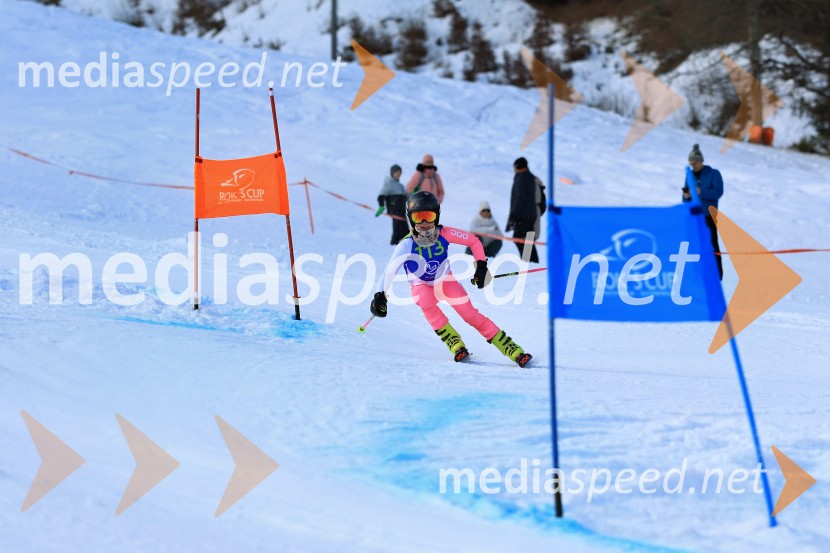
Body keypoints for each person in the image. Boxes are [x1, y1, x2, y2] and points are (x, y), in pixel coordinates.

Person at [370, 191, 532, 367]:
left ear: (437, 216)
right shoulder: (406, 244)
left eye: (429, 216)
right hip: (421, 284)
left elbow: (474, 242)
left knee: (470, 315)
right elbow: (390, 271)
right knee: (423, 299)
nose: (424, 223)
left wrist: (481, 266)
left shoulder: (445, 233)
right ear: (411, 218)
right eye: (419, 217)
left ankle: (511, 348)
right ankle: (454, 342)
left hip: (445, 281)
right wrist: (380, 296)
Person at [682, 143, 724, 280]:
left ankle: (717, 275)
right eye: (691, 163)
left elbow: (718, 192)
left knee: (712, 244)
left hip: (708, 216)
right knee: (695, 244)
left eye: (695, 163)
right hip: (695, 216)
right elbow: (685, 198)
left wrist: (702, 192)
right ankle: (698, 274)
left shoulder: (713, 174)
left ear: (701, 161)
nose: (693, 166)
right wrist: (686, 196)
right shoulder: (689, 175)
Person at [506, 157, 540, 263]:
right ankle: (532, 262)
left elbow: (519, 198)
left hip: (523, 214)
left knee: (519, 238)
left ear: (517, 166)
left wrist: (514, 215)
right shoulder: (530, 176)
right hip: (531, 213)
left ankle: (528, 261)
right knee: (528, 238)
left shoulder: (521, 178)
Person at [376, 164, 409, 245]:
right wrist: (381, 206)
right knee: (398, 226)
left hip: (402, 210)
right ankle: (395, 242)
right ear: (392, 173)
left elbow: (408, 197)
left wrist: (414, 193)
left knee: (404, 226)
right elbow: (381, 196)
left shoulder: (400, 186)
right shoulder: (389, 184)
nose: (398, 174)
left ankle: (404, 242)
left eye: (399, 172)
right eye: (396, 172)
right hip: (395, 210)